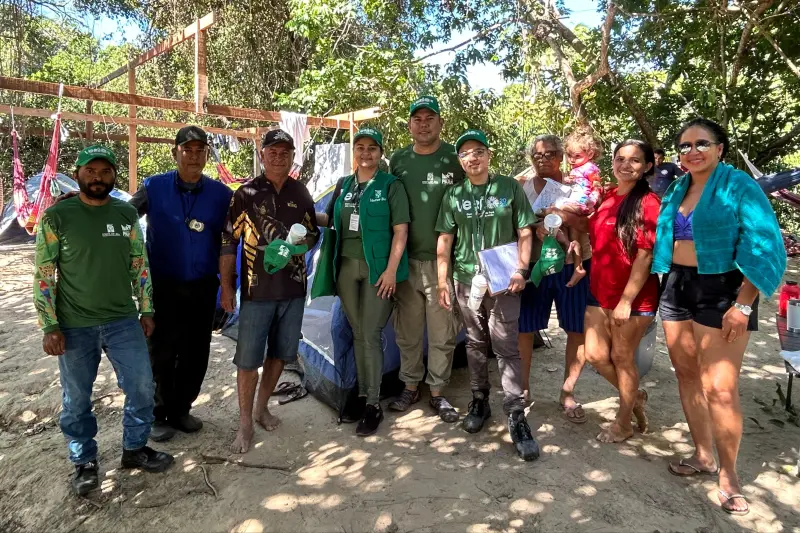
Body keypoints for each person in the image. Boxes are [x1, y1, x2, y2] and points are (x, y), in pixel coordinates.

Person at [654, 118, 785, 516]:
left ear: (720, 149)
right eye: (685, 146)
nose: (692, 151)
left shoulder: (739, 186)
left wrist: (743, 304)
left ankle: (729, 476)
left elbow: (763, 242)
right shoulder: (677, 188)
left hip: (724, 288)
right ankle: (702, 455)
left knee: (721, 389)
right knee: (687, 374)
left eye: (701, 144)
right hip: (677, 284)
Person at [33, 145, 174, 496]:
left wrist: (147, 309)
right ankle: (84, 462)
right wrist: (49, 325)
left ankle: (135, 449)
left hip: (123, 320)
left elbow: (139, 264)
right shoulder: (57, 217)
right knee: (77, 398)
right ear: (78, 173)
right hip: (73, 324)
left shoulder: (126, 214)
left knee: (142, 386)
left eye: (105, 171)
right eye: (90, 171)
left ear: (114, 176)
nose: (98, 177)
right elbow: (44, 273)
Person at [435, 129, 539, 461]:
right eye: (465, 154)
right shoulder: (453, 195)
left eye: (478, 151)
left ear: (488, 154)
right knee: (476, 344)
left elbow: (525, 230)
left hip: (504, 281)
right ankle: (479, 401)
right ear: (460, 162)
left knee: (506, 346)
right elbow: (445, 240)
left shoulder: (508, 187)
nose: (472, 158)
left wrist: (521, 269)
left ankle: (516, 415)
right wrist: (442, 281)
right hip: (466, 280)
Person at [130, 125, 233, 442]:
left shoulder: (221, 194)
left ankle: (181, 410)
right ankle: (157, 414)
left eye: (200, 150)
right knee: (160, 351)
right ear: (175, 153)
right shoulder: (154, 187)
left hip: (203, 286)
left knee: (196, 351)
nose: (193, 155)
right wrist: (82, 203)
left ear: (206, 154)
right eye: (187, 149)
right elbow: (122, 214)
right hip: (163, 285)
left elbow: (236, 234)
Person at [220, 129, 320, 454]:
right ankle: (245, 422)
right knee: (248, 360)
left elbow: (312, 234)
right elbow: (227, 240)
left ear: (292, 157)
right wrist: (225, 285)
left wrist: (299, 246)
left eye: (284, 152)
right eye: (272, 152)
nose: (278, 157)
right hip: (255, 291)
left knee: (280, 354)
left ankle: (262, 407)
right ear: (262, 155)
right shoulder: (245, 194)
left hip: (293, 289)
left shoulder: (301, 192)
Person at [312, 128, 410, 435]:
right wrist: (302, 210)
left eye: (372, 148)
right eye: (360, 147)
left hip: (378, 270)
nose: (365, 153)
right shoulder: (343, 186)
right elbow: (330, 220)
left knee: (370, 332)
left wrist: (392, 270)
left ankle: (373, 403)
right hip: (345, 268)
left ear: (381, 153)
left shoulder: (390, 185)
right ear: (354, 152)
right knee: (356, 332)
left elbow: (401, 230)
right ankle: (360, 394)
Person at [388, 95, 465, 422]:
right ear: (409, 125)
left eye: (429, 118)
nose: (423, 124)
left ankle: (437, 391)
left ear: (440, 123)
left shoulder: (455, 159)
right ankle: (410, 386)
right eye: (417, 119)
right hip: (405, 261)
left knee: (442, 332)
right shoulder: (398, 160)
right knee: (407, 331)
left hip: (442, 263)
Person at [582, 139, 661, 443]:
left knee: (622, 356)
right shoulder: (607, 195)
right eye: (620, 158)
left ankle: (624, 422)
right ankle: (635, 397)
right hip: (599, 290)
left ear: (647, 166)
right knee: (595, 355)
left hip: (634, 297)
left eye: (635, 160)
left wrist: (626, 300)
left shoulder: (648, 202)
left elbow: (645, 255)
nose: (626, 165)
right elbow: (596, 237)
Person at [516, 134, 591, 423]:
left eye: (549, 154)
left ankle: (568, 392)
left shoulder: (577, 187)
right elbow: (512, 220)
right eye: (537, 155)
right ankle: (523, 390)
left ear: (560, 156)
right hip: (534, 266)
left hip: (572, 265)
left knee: (576, 329)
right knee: (524, 327)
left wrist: (561, 216)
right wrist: (535, 226)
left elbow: (588, 222)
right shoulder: (521, 187)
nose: (542, 159)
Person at [550, 128, 604, 286]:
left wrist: (592, 202)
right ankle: (577, 265)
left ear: (591, 154)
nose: (573, 159)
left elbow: (597, 187)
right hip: (575, 202)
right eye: (570, 155)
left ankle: (567, 246)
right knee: (574, 232)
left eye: (577, 156)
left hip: (581, 203)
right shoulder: (576, 169)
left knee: (556, 209)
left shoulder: (591, 169)